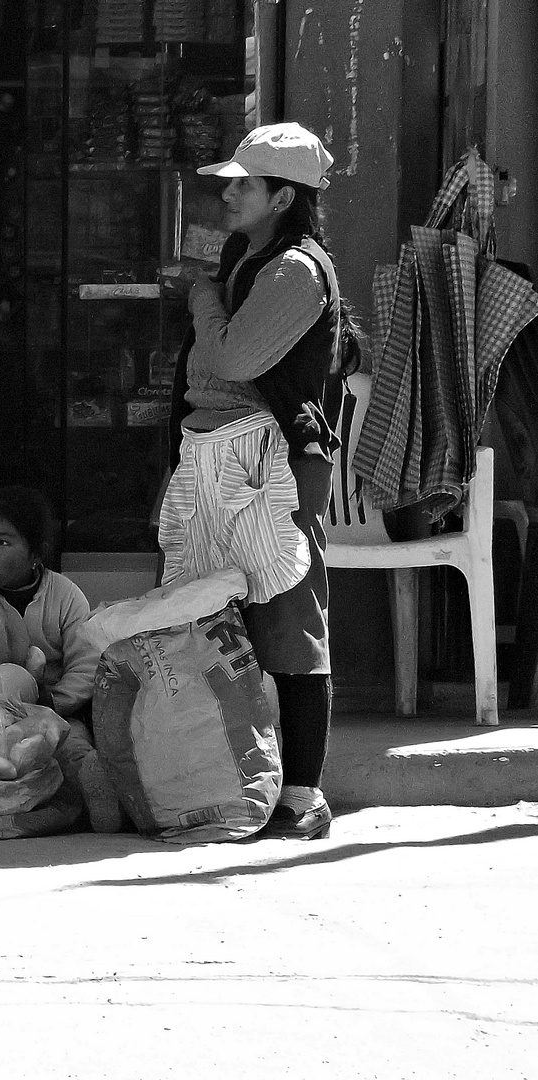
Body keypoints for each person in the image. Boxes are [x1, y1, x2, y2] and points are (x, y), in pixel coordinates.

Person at [165, 122, 357, 839]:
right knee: (215, 620)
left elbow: (234, 358)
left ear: (282, 196)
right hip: (222, 456)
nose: (228, 193)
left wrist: (200, 298)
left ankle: (302, 797)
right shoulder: (251, 256)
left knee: (285, 627)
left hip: (271, 465)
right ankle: (228, 785)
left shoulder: (294, 271)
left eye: (243, 183)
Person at [0, 485, 121, 833]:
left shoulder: (65, 595)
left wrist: (54, 700)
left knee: (73, 747)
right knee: (10, 680)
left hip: (52, 708)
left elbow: (87, 663)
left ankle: (96, 792)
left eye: (3, 542)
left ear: (35, 555)